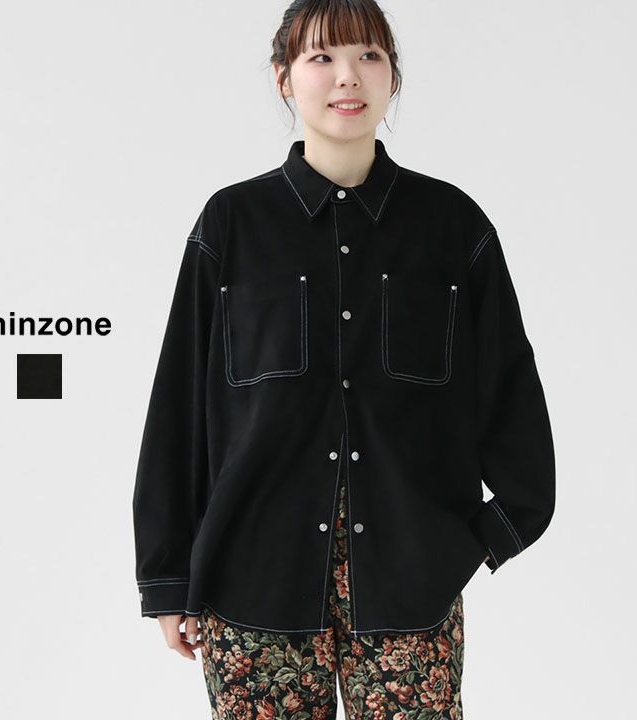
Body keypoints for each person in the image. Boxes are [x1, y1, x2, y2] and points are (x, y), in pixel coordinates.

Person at [131, 0, 556, 717]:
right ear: (283, 78)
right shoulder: (231, 225)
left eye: (368, 56)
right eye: (321, 57)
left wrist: (478, 540)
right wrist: (167, 577)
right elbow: (179, 407)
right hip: (251, 588)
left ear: (393, 77)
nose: (347, 77)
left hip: (411, 598)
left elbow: (511, 393)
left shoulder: (452, 227)